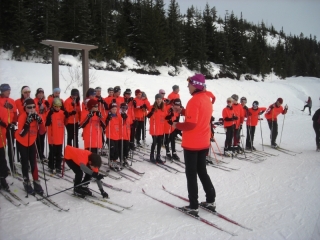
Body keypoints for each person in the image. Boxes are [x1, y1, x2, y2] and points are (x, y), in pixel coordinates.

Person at [173, 74, 216, 216]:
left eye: (189, 84)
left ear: (195, 85)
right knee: (202, 171)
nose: (187, 87)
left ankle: (193, 205)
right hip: (203, 142)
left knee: (191, 174)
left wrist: (176, 124)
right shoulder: (206, 99)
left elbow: (190, 124)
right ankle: (210, 200)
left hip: (192, 144)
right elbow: (200, 115)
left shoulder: (194, 101)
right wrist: (183, 111)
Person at [15, 98, 46, 194]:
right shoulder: (22, 116)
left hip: (31, 142)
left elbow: (42, 132)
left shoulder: (36, 115)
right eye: (29, 107)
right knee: (25, 162)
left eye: (33, 107)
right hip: (22, 142)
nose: (32, 109)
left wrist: (40, 122)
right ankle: (26, 182)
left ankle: (36, 182)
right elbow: (21, 134)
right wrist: (27, 123)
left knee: (34, 162)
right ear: (25, 108)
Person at [45, 98, 68, 173]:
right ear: (53, 106)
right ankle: (51, 165)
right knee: (52, 152)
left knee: (59, 153)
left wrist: (67, 114)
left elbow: (66, 120)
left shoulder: (62, 112)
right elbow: (47, 123)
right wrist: (49, 115)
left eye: (59, 106)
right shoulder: (50, 113)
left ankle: (58, 165)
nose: (58, 108)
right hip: (53, 136)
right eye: (56, 106)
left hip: (60, 136)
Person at [0, 84, 17, 173]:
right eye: (7, 91)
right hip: (2, 126)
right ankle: (4, 166)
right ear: (2, 91)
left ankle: (12, 164)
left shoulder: (11, 100)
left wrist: (14, 122)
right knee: (2, 147)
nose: (9, 92)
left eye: (9, 90)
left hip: (10, 126)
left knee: (11, 146)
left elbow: (14, 112)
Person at [147, 94, 166, 163]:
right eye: (157, 99)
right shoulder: (152, 107)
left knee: (159, 142)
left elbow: (166, 116)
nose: (158, 100)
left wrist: (170, 116)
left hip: (160, 127)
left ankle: (158, 156)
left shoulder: (163, 108)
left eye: (160, 99)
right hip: (154, 128)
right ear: (155, 100)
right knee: (154, 142)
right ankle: (151, 156)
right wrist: (152, 111)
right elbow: (148, 116)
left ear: (162, 100)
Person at [105, 102, 121, 170]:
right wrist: (107, 119)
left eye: (115, 109)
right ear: (110, 109)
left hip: (117, 136)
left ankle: (114, 161)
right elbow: (104, 124)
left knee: (116, 150)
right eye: (113, 109)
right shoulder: (108, 115)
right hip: (110, 136)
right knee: (112, 149)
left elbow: (121, 123)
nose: (114, 110)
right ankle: (111, 161)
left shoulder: (118, 116)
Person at [34, 88, 48, 160]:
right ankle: (38, 153)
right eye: (39, 93)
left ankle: (41, 153)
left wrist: (47, 107)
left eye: (42, 93)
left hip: (43, 122)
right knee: (37, 139)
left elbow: (47, 112)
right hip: (37, 122)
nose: (40, 94)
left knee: (42, 139)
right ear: (37, 94)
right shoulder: (34, 101)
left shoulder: (45, 101)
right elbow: (34, 110)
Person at [0, 106, 10, 191]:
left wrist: (0, 122)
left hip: (1, 140)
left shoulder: (3, 110)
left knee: (2, 160)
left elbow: (6, 124)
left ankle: (2, 178)